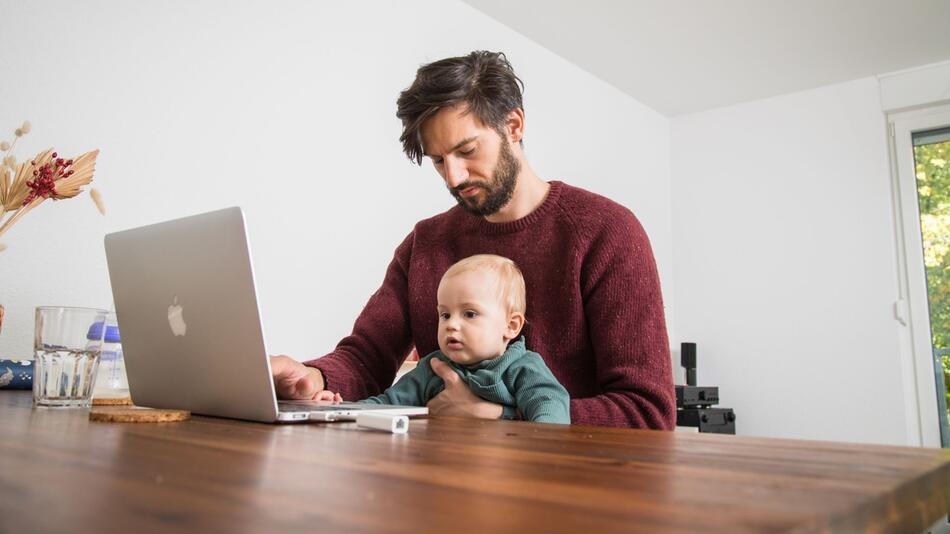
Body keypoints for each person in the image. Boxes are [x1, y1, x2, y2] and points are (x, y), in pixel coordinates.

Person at [271, 50, 676, 429]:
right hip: (446, 485)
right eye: (438, 161)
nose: (454, 177)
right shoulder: (425, 243)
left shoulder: (606, 231)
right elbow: (366, 355)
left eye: (467, 150)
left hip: (571, 487)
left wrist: (497, 416)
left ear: (513, 126)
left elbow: (648, 412)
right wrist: (313, 376)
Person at [316, 254, 571, 424]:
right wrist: (339, 409)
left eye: (469, 314)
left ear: (511, 325)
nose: (452, 325)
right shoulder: (433, 368)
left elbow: (550, 409)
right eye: (445, 315)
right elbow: (388, 403)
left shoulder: (523, 367)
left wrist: (505, 420)